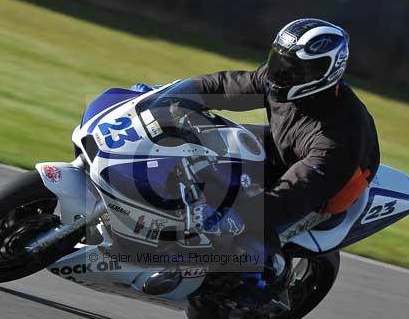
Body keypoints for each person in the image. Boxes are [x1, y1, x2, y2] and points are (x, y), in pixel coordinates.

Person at [155, 18, 380, 278]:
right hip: (285, 147)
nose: (280, 73)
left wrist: (235, 213)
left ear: (325, 72)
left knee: (247, 241)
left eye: (295, 69)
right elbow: (225, 86)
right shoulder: (281, 79)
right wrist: (171, 97)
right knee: (208, 140)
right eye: (279, 61)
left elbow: (295, 194)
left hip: (325, 191)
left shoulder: (340, 134)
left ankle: (264, 286)